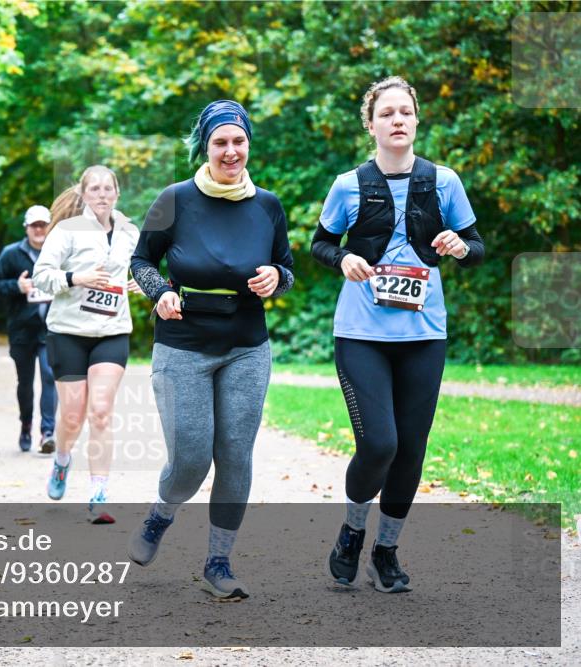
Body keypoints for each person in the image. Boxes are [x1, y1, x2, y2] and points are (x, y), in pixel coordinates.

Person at [311, 76, 484, 593]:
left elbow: (476, 247)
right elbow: (321, 244)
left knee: (411, 449)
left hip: (424, 334)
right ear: (371, 124)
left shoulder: (444, 181)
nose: (397, 120)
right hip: (361, 333)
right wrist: (344, 259)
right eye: (386, 113)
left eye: (405, 111)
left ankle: (385, 551)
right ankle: (351, 531)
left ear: (416, 119)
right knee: (379, 443)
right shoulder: (348, 184)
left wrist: (458, 246)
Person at [128, 99, 295, 599]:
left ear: (248, 144)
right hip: (183, 346)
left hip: (246, 344)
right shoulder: (174, 199)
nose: (230, 151)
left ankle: (219, 562)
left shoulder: (267, 205)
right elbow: (141, 262)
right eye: (220, 142)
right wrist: (161, 292)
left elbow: (286, 268)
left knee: (235, 455)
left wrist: (277, 278)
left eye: (238, 141)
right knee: (192, 458)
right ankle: (161, 515)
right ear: (205, 146)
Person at [31, 166, 140, 524]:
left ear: (117, 193)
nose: (102, 194)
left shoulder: (129, 232)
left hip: (112, 331)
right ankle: (62, 459)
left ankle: (98, 494)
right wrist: (77, 277)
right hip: (68, 333)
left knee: (102, 411)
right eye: (95, 188)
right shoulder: (66, 231)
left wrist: (143, 282)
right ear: (84, 194)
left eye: (108, 188)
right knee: (74, 414)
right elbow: (41, 277)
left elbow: (141, 268)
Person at [0, 205, 59, 453]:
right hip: (22, 330)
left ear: (49, 227)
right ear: (26, 228)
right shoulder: (11, 254)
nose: (39, 230)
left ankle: (48, 433)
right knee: (25, 382)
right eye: (34, 225)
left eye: (43, 225)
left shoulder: (59, 252)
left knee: (50, 375)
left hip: (51, 328)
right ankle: (26, 423)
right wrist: (17, 286)